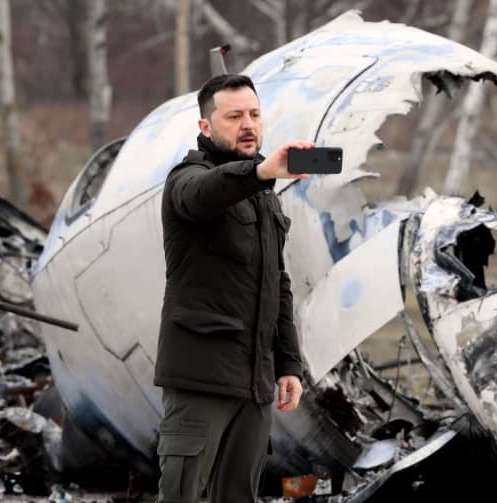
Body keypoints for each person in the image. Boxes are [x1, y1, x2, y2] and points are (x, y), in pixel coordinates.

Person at [154, 73, 310, 502]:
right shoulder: (187, 179)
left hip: (254, 383)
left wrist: (289, 365)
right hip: (201, 378)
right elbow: (205, 194)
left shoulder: (264, 198)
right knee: (180, 495)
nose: (249, 125)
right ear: (206, 127)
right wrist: (260, 170)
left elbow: (277, 284)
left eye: (255, 114)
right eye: (235, 116)